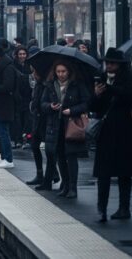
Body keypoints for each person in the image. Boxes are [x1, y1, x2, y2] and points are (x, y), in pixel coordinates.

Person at [91, 48, 132, 222]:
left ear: (120, 65)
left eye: (112, 63)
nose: (109, 66)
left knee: (125, 173)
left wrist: (112, 90)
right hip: (106, 132)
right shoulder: (100, 80)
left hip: (125, 131)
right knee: (103, 174)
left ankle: (124, 208)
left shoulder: (130, 80)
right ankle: (102, 208)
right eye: (107, 62)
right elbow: (93, 107)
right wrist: (97, 95)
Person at [39, 60, 90, 198]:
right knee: (60, 156)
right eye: (58, 72)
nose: (61, 74)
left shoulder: (77, 84)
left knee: (71, 156)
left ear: (69, 72)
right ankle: (65, 184)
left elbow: (86, 103)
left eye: (64, 71)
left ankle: (73, 187)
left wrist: (72, 110)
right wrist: (50, 106)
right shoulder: (50, 85)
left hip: (71, 124)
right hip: (56, 125)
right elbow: (42, 104)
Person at [26, 65, 59, 186]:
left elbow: (43, 102)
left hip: (46, 120)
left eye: (35, 72)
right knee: (35, 146)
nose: (33, 74)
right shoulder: (39, 84)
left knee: (50, 150)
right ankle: (41, 174)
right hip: (37, 120)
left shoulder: (47, 85)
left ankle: (50, 174)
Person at [13, 46, 32, 149]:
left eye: (24, 54)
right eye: (20, 54)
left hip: (28, 95)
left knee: (28, 119)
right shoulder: (13, 65)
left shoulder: (29, 65)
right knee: (18, 119)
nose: (22, 56)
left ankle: (28, 138)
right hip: (17, 95)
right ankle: (18, 139)